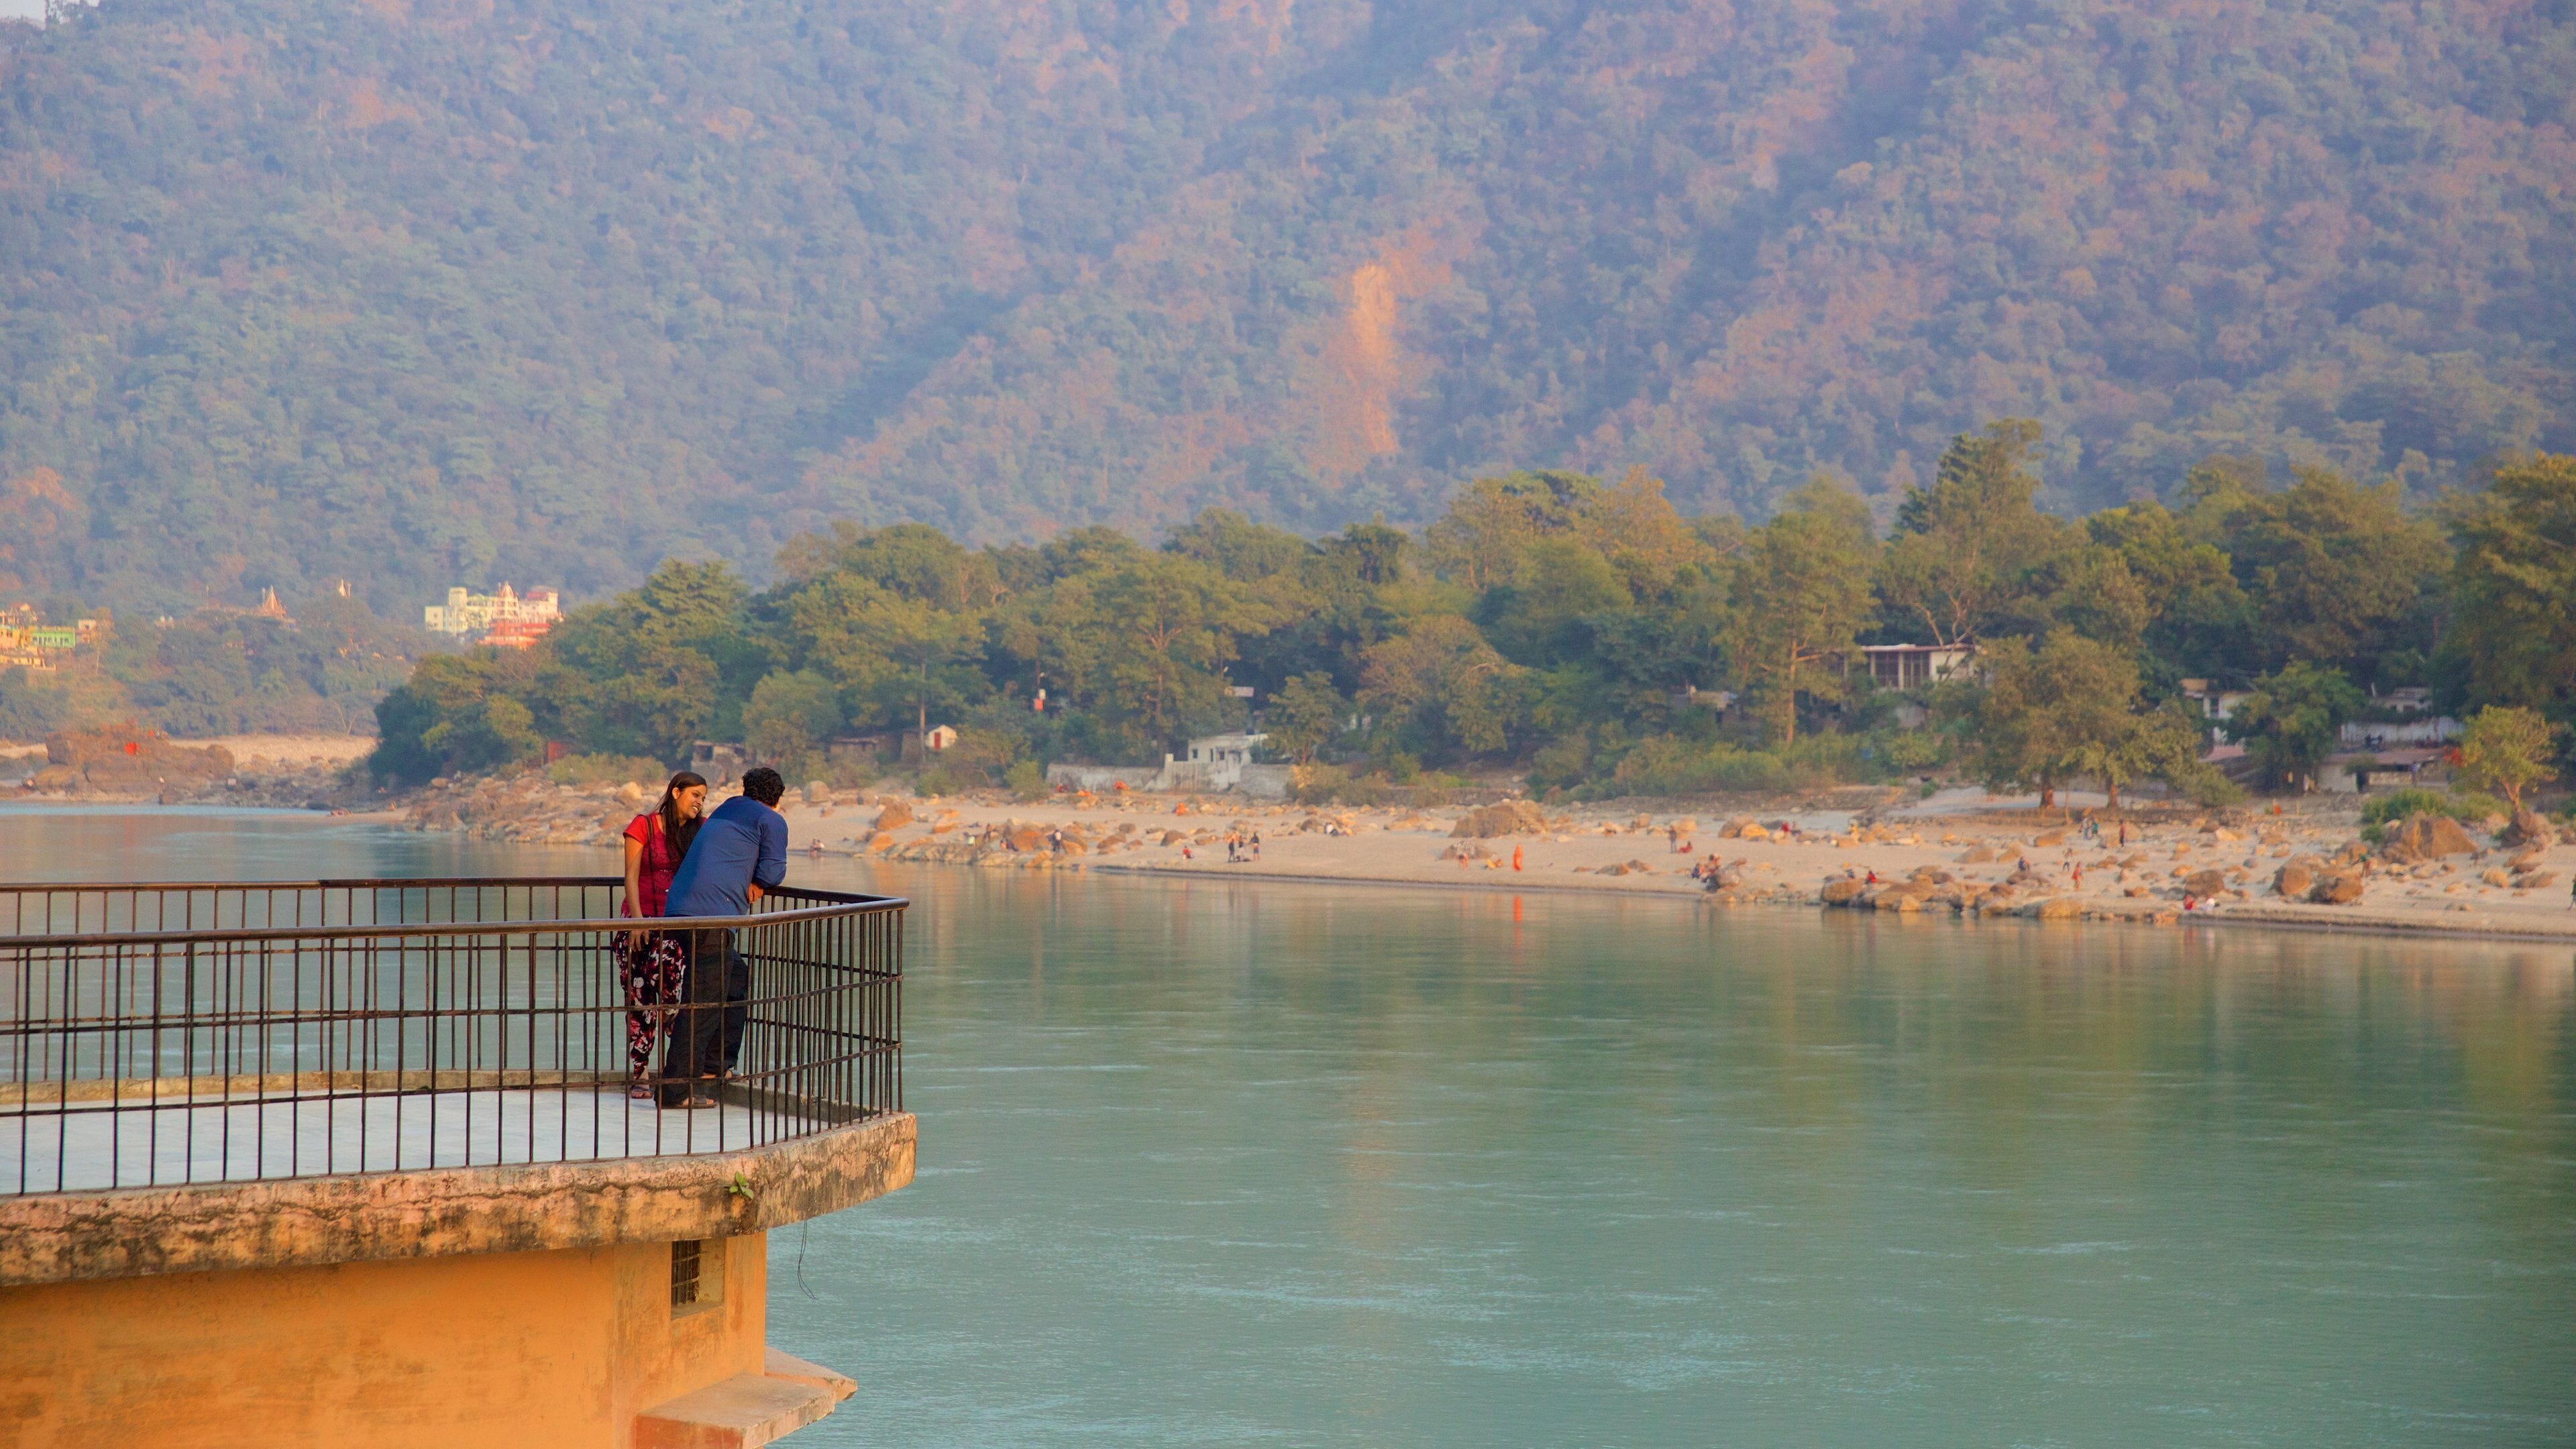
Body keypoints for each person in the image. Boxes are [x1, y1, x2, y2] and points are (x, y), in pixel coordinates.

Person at [659, 767, 790, 1108]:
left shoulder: (727, 808)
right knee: (701, 1005)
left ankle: (713, 1067)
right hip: (712, 919)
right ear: (777, 798)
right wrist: (759, 880)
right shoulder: (771, 820)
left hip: (679, 911)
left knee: (735, 978)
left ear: (747, 790)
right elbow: (774, 870)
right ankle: (674, 1091)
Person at [616, 771, 706, 1099]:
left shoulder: (699, 830)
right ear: (676, 793)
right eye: (695, 795)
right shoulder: (644, 825)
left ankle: (674, 1048)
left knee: (672, 984)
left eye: (703, 798)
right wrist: (637, 922)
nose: (699, 802)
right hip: (638, 921)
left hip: (675, 924)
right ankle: (640, 1073)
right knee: (639, 998)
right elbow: (630, 875)